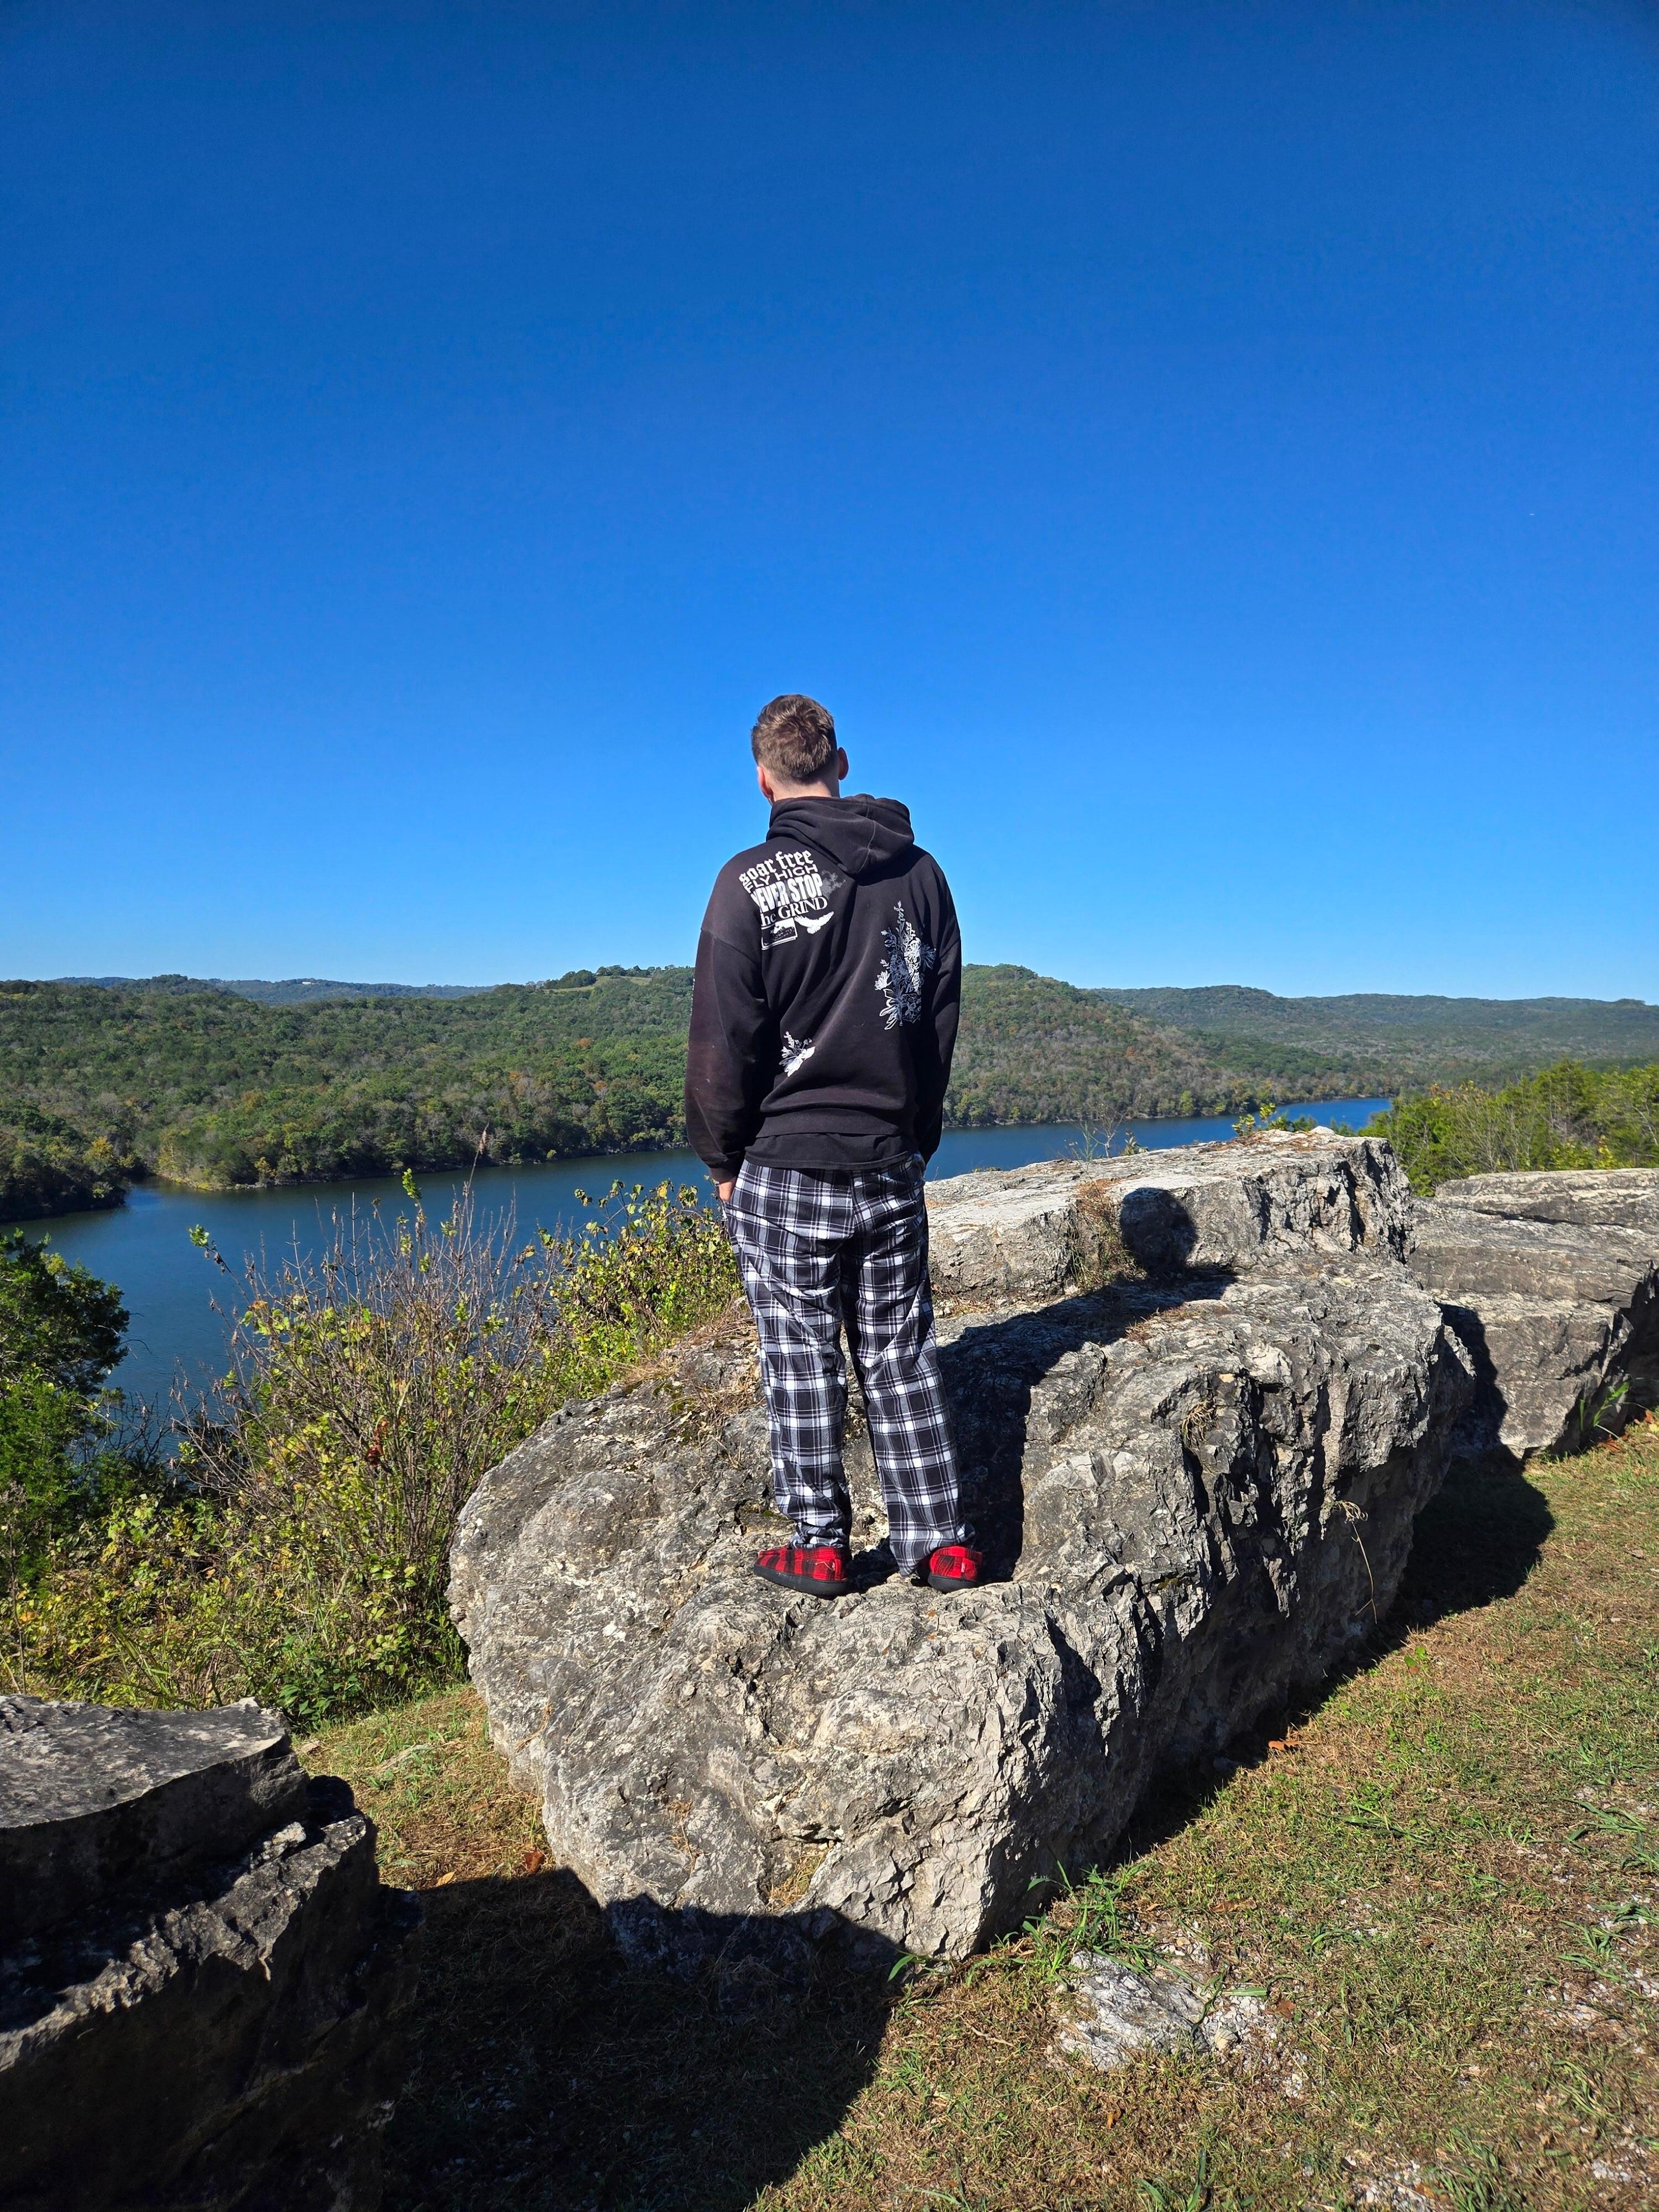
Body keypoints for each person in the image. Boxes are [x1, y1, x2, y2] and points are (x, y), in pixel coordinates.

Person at [685, 693, 982, 1599]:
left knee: (799, 1354)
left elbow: (721, 1040)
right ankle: (938, 1543)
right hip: (887, 1157)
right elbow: (937, 1021)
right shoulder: (921, 875)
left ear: (764, 777)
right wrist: (913, 1137)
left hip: (782, 1165)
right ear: (841, 763)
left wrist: (721, 1159)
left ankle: (819, 1542)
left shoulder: (745, 883)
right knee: (900, 1348)